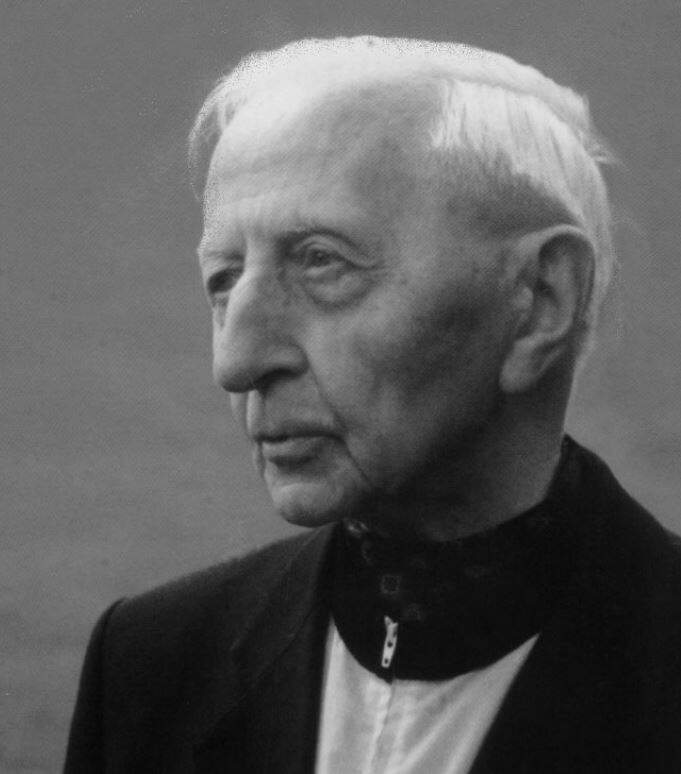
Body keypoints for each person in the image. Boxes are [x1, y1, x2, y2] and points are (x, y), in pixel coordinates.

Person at [64, 37, 681, 773]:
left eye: (321, 261)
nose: (236, 362)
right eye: (224, 280)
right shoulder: (152, 665)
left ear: (539, 300)